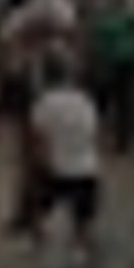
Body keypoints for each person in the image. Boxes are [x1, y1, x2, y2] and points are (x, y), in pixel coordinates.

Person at [0, 0, 79, 236]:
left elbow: (10, 34)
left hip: (40, 85)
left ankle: (30, 213)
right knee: (39, 154)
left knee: (32, 155)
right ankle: (33, 214)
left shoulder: (34, 8)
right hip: (39, 86)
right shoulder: (51, 5)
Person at [30, 57, 104, 252]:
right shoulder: (85, 100)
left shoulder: (45, 102)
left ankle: (41, 248)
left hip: (58, 167)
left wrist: (41, 165)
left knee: (41, 210)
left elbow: (40, 138)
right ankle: (81, 250)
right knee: (83, 219)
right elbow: (95, 135)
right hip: (86, 167)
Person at [87, 0, 134, 154]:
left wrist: (113, 23)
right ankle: (97, 136)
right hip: (110, 56)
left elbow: (108, 26)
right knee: (102, 100)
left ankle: (120, 141)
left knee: (122, 101)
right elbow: (103, 26)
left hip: (123, 56)